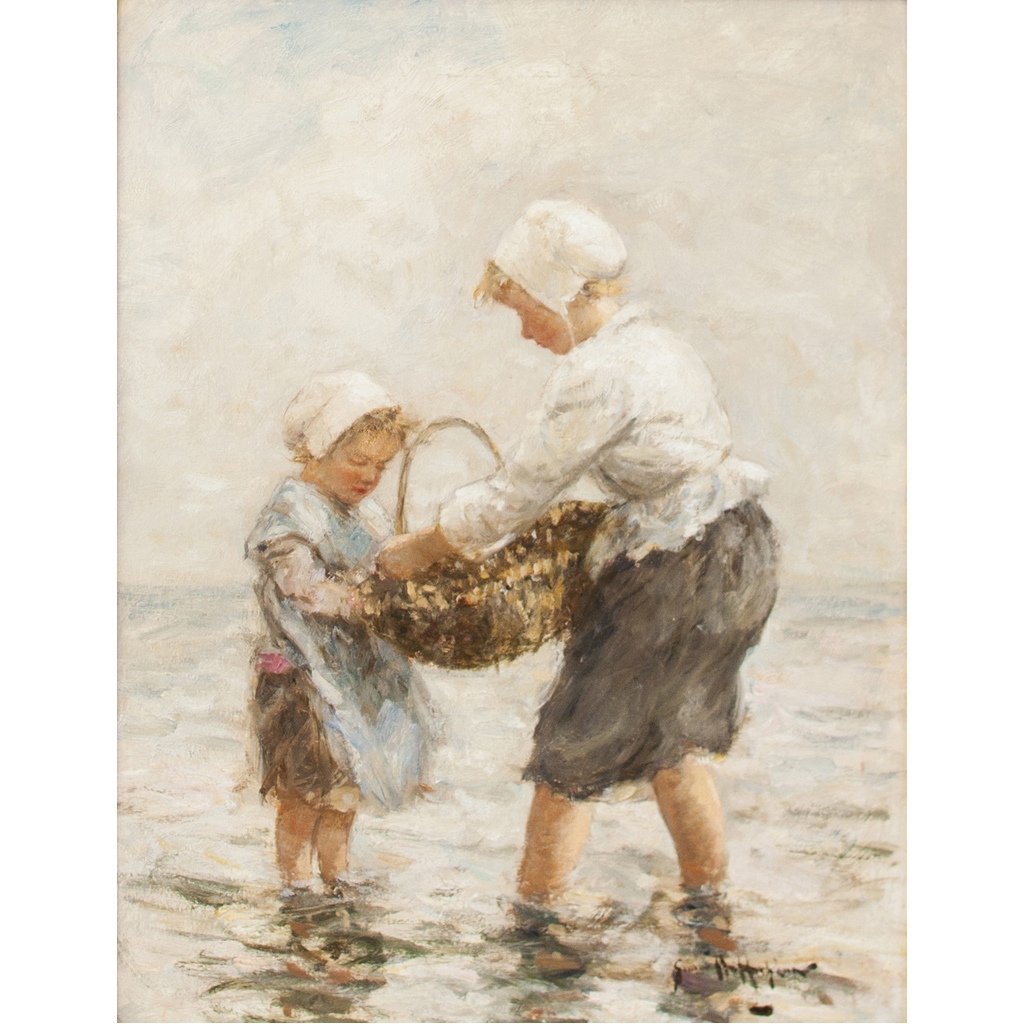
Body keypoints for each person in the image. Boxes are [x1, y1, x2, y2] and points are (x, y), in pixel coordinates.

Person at [379, 200, 779, 937]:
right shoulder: (661, 347)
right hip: (738, 549)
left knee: (570, 745)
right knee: (672, 743)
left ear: (561, 293)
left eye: (526, 311)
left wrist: (421, 548)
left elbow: (515, 496)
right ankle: (708, 908)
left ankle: (535, 921)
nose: (526, 332)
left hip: (675, 566)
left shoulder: (598, 374)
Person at [246, 371, 434, 898]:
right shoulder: (291, 509)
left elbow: (387, 567)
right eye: (358, 461)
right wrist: (362, 601)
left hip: (357, 679)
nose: (369, 476)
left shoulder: (368, 516)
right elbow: (302, 586)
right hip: (300, 681)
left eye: (381, 466)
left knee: (347, 786)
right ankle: (295, 882)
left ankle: (336, 873)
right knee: (305, 790)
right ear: (318, 448)